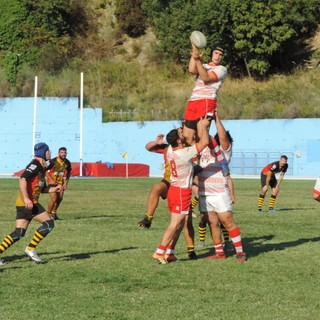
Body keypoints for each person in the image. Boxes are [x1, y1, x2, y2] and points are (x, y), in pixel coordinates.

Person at [153, 118, 210, 264]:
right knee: (174, 224)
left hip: (174, 190)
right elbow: (204, 143)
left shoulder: (170, 149)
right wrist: (203, 126)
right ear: (178, 141)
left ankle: (170, 253)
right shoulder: (184, 154)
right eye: (180, 134)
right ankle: (159, 252)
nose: (182, 133)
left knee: (179, 224)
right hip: (181, 192)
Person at [139, 132, 199, 260]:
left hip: (184, 185)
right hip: (171, 183)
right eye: (181, 132)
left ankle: (188, 250)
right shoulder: (171, 147)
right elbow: (148, 147)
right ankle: (148, 218)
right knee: (156, 188)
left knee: (185, 221)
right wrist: (156, 143)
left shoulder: (190, 150)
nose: (183, 133)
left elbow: (195, 175)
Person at [0, 143, 62, 266]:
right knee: (49, 223)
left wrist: (54, 189)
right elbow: (22, 179)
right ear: (44, 152)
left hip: (23, 203)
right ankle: (30, 249)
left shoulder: (42, 166)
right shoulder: (35, 164)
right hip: (28, 203)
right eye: (48, 150)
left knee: (19, 233)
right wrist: (27, 199)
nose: (50, 152)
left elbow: (41, 189)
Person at [198, 111, 247, 262]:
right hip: (204, 192)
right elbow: (202, 133)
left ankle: (240, 252)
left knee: (227, 221)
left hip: (219, 193)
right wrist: (204, 121)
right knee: (212, 223)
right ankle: (219, 253)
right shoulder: (205, 147)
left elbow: (223, 137)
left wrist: (217, 118)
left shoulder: (224, 151)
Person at [183, 43, 227, 146]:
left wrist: (197, 60)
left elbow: (206, 78)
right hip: (193, 101)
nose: (218, 56)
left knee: (201, 136)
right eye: (216, 53)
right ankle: (193, 159)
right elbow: (191, 70)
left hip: (206, 101)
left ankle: (202, 160)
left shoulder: (222, 69)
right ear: (212, 54)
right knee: (187, 138)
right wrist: (195, 46)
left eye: (220, 54)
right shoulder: (203, 66)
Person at [46, 147, 72, 220]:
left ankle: (54, 213)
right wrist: (50, 179)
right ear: (58, 153)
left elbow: (69, 172)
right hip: (52, 184)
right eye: (62, 152)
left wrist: (66, 183)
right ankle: (48, 215)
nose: (63, 154)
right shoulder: (53, 161)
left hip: (61, 183)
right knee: (54, 199)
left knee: (59, 199)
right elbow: (44, 171)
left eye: (65, 152)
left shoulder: (67, 162)